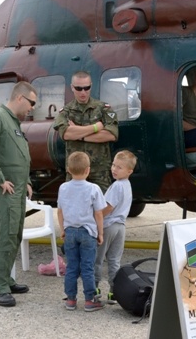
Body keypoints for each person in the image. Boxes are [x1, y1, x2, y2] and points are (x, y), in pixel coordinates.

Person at [0, 81, 37, 308]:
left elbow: (19, 155)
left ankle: (7, 279)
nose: (32, 108)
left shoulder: (13, 122)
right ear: (20, 98)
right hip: (4, 190)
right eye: (31, 103)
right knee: (4, 236)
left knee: (15, 234)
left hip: (18, 189)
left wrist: (28, 181)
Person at [53, 71, 119, 193]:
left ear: (91, 86)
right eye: (78, 88)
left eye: (86, 88)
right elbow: (66, 134)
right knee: (74, 207)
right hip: (75, 170)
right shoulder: (66, 111)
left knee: (102, 208)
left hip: (100, 171)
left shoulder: (103, 109)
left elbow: (111, 134)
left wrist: (79, 135)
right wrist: (95, 127)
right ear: (72, 87)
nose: (83, 92)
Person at [58, 151, 106, 312]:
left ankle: (71, 300)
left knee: (72, 266)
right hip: (88, 232)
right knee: (87, 267)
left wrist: (63, 228)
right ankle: (89, 300)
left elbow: (60, 211)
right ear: (88, 170)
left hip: (70, 231)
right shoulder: (94, 188)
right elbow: (98, 213)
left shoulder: (63, 188)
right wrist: (100, 233)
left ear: (68, 170)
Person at [94, 150, 137, 303]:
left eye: (119, 167)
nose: (114, 169)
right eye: (113, 165)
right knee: (114, 260)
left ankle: (94, 287)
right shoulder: (127, 185)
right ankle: (114, 291)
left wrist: (95, 218)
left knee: (97, 259)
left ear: (129, 171)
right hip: (121, 227)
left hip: (108, 226)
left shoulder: (117, 186)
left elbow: (108, 207)